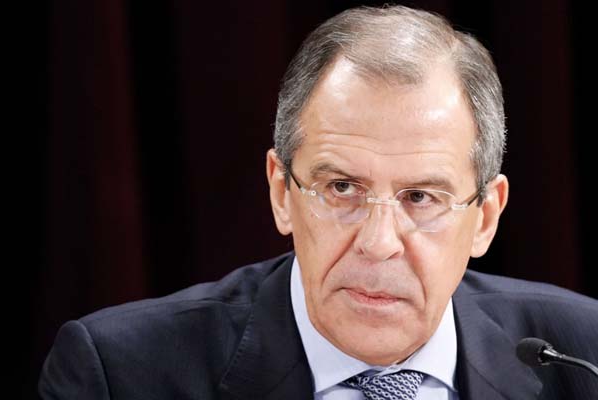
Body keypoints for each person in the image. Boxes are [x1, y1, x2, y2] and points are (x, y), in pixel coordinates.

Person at [39, 5, 598, 400]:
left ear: (485, 217)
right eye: (342, 188)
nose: (378, 244)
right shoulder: (119, 375)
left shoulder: (584, 354)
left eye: (420, 197)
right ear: (281, 192)